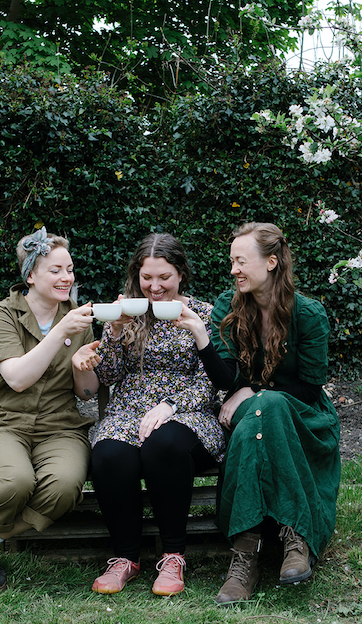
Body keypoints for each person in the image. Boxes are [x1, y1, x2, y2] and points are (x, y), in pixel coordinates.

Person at [0, 227, 99, 594]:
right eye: (56, 270)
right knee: (14, 480)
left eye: (70, 269)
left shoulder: (79, 319)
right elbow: (17, 379)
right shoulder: (3, 315)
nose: (67, 278)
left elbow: (88, 393)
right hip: (2, 424)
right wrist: (61, 332)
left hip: (60, 427)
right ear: (31, 275)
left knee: (63, 486)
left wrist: (83, 366)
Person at [82, 233, 225, 596]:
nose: (155, 286)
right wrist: (113, 332)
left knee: (164, 446)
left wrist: (170, 405)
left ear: (180, 274)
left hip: (189, 411)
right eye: (147, 278)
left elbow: (215, 379)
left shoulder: (204, 314)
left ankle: (173, 555)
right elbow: (109, 377)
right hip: (129, 409)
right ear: (137, 275)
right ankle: (124, 558)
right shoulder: (126, 313)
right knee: (109, 453)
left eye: (164, 277)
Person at [209, 222, 341, 605]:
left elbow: (309, 387)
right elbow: (224, 373)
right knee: (263, 412)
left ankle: (245, 552)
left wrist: (255, 391)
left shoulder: (308, 314)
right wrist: (248, 393)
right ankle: (293, 538)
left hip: (302, 417)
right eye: (231, 261)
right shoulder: (228, 306)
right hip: (249, 414)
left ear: (270, 262)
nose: (233, 269)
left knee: (270, 406)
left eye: (240, 261)